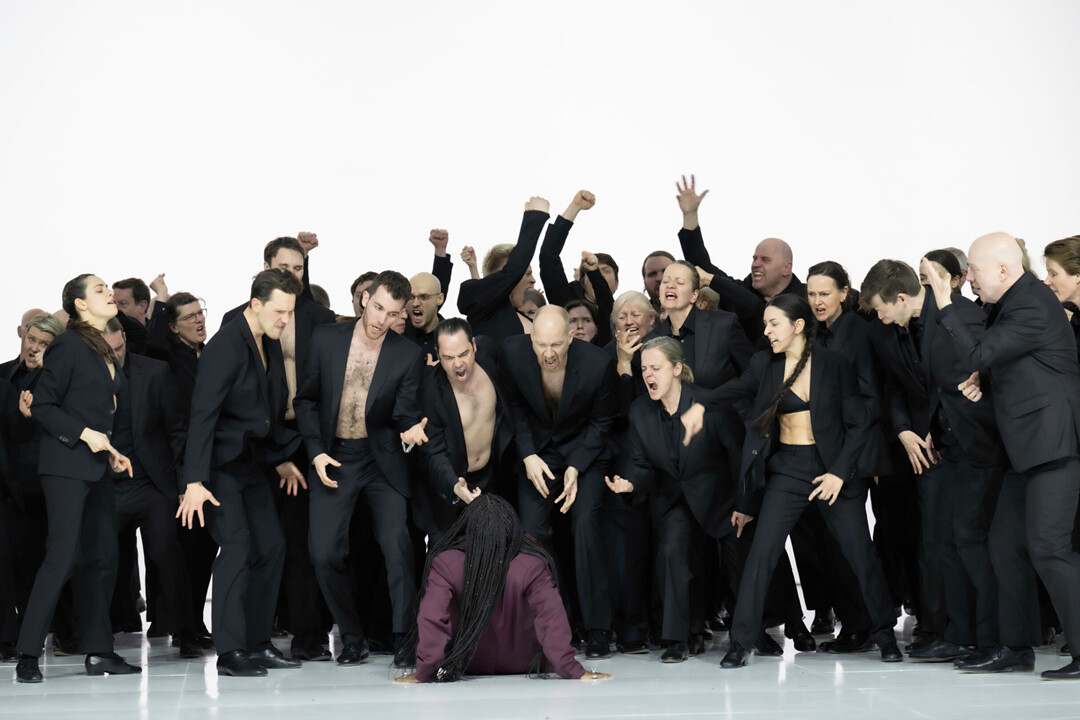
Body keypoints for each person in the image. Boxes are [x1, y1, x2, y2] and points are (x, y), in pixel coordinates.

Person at [681, 294, 903, 668]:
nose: (766, 332)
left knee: (860, 554)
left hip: (831, 469)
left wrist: (839, 473)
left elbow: (859, 423)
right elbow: (735, 388)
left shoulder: (833, 363)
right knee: (761, 554)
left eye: (774, 324)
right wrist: (701, 406)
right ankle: (741, 642)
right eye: (765, 325)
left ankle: (884, 635)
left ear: (798, 326)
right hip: (788, 469)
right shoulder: (764, 364)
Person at [921, 233, 1080, 679]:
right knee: (1004, 546)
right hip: (1026, 450)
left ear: (1004, 271)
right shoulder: (1015, 304)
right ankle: (1015, 648)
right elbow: (1025, 365)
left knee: (1050, 550)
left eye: (974, 269)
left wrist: (944, 298)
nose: (970, 277)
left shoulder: (1030, 304)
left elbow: (977, 351)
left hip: (1053, 446)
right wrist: (985, 382)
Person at [861, 259, 1003, 662]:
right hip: (933, 446)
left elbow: (974, 379)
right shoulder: (890, 330)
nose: (880, 318)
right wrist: (911, 429)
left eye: (882, 309)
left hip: (974, 445)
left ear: (901, 297)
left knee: (969, 542)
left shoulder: (957, 315)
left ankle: (985, 636)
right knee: (937, 542)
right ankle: (948, 631)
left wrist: (936, 426)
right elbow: (900, 387)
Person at [294, 270, 428, 669]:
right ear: (365, 299)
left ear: (400, 315)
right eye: (377, 308)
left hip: (380, 460)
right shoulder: (326, 339)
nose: (381, 320)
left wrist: (411, 429)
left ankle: (404, 637)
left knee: (397, 544)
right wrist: (316, 452)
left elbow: (404, 413)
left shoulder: (407, 355)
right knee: (323, 553)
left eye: (392, 314)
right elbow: (306, 401)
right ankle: (353, 637)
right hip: (333, 457)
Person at [177, 269, 307, 677]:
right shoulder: (225, 346)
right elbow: (202, 415)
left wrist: (280, 458)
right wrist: (193, 481)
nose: (285, 319)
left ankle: (257, 642)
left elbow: (261, 414)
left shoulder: (267, 339)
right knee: (235, 546)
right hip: (219, 467)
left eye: (290, 312)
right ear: (255, 304)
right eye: (279, 311)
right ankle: (230, 652)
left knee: (272, 546)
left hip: (251, 463)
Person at [15, 275, 139, 683]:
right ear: (81, 304)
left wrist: (112, 451)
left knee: (103, 558)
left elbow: (99, 407)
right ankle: (28, 654)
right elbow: (44, 407)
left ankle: (100, 651)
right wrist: (86, 435)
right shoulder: (68, 344)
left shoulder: (99, 344)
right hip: (66, 468)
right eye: (99, 289)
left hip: (96, 467)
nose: (109, 293)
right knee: (62, 558)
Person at [606, 337, 744, 662]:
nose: (648, 375)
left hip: (720, 497)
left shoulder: (707, 403)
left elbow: (738, 456)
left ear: (677, 369)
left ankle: (750, 633)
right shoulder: (640, 411)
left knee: (740, 562)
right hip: (673, 499)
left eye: (656, 367)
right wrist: (630, 483)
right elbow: (640, 463)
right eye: (644, 369)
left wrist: (744, 505)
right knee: (671, 552)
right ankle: (678, 639)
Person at [500, 305, 619, 659]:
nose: (548, 353)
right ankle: (557, 624)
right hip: (538, 451)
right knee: (533, 532)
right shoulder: (512, 352)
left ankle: (597, 628)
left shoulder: (598, 364)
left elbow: (602, 423)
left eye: (556, 344)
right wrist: (527, 454)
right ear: (530, 339)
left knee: (585, 525)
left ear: (570, 336)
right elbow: (514, 407)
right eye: (541, 345)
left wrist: (577, 466)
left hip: (585, 452)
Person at [395, 495, 611, 683]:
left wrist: (425, 671)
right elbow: (552, 618)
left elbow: (432, 617)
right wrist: (571, 669)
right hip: (524, 665)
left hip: (467, 665)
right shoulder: (533, 563)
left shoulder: (445, 563)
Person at [101, 318, 201, 658]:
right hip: (107, 487)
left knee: (167, 555)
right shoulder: (86, 376)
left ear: (125, 339)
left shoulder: (155, 372)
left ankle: (187, 632)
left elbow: (176, 429)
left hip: (152, 483)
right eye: (107, 352)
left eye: (119, 348)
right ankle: (97, 636)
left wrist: (185, 482)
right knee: (101, 561)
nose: (115, 356)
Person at [675, 175, 805, 345]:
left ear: (786, 268)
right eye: (754, 258)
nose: (756, 264)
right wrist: (690, 216)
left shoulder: (808, 299)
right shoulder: (739, 292)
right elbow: (703, 267)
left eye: (765, 260)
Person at [419, 318, 511, 544]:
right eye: (448, 358)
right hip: (451, 481)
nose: (458, 364)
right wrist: (453, 485)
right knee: (446, 554)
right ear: (438, 355)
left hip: (493, 477)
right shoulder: (430, 388)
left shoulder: (490, 356)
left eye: (463, 354)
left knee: (496, 550)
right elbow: (433, 450)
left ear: (474, 346)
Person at [457, 197, 548, 342]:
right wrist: (535, 217)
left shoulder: (518, 316)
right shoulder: (474, 297)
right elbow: (511, 273)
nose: (533, 280)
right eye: (527, 273)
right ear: (502, 271)